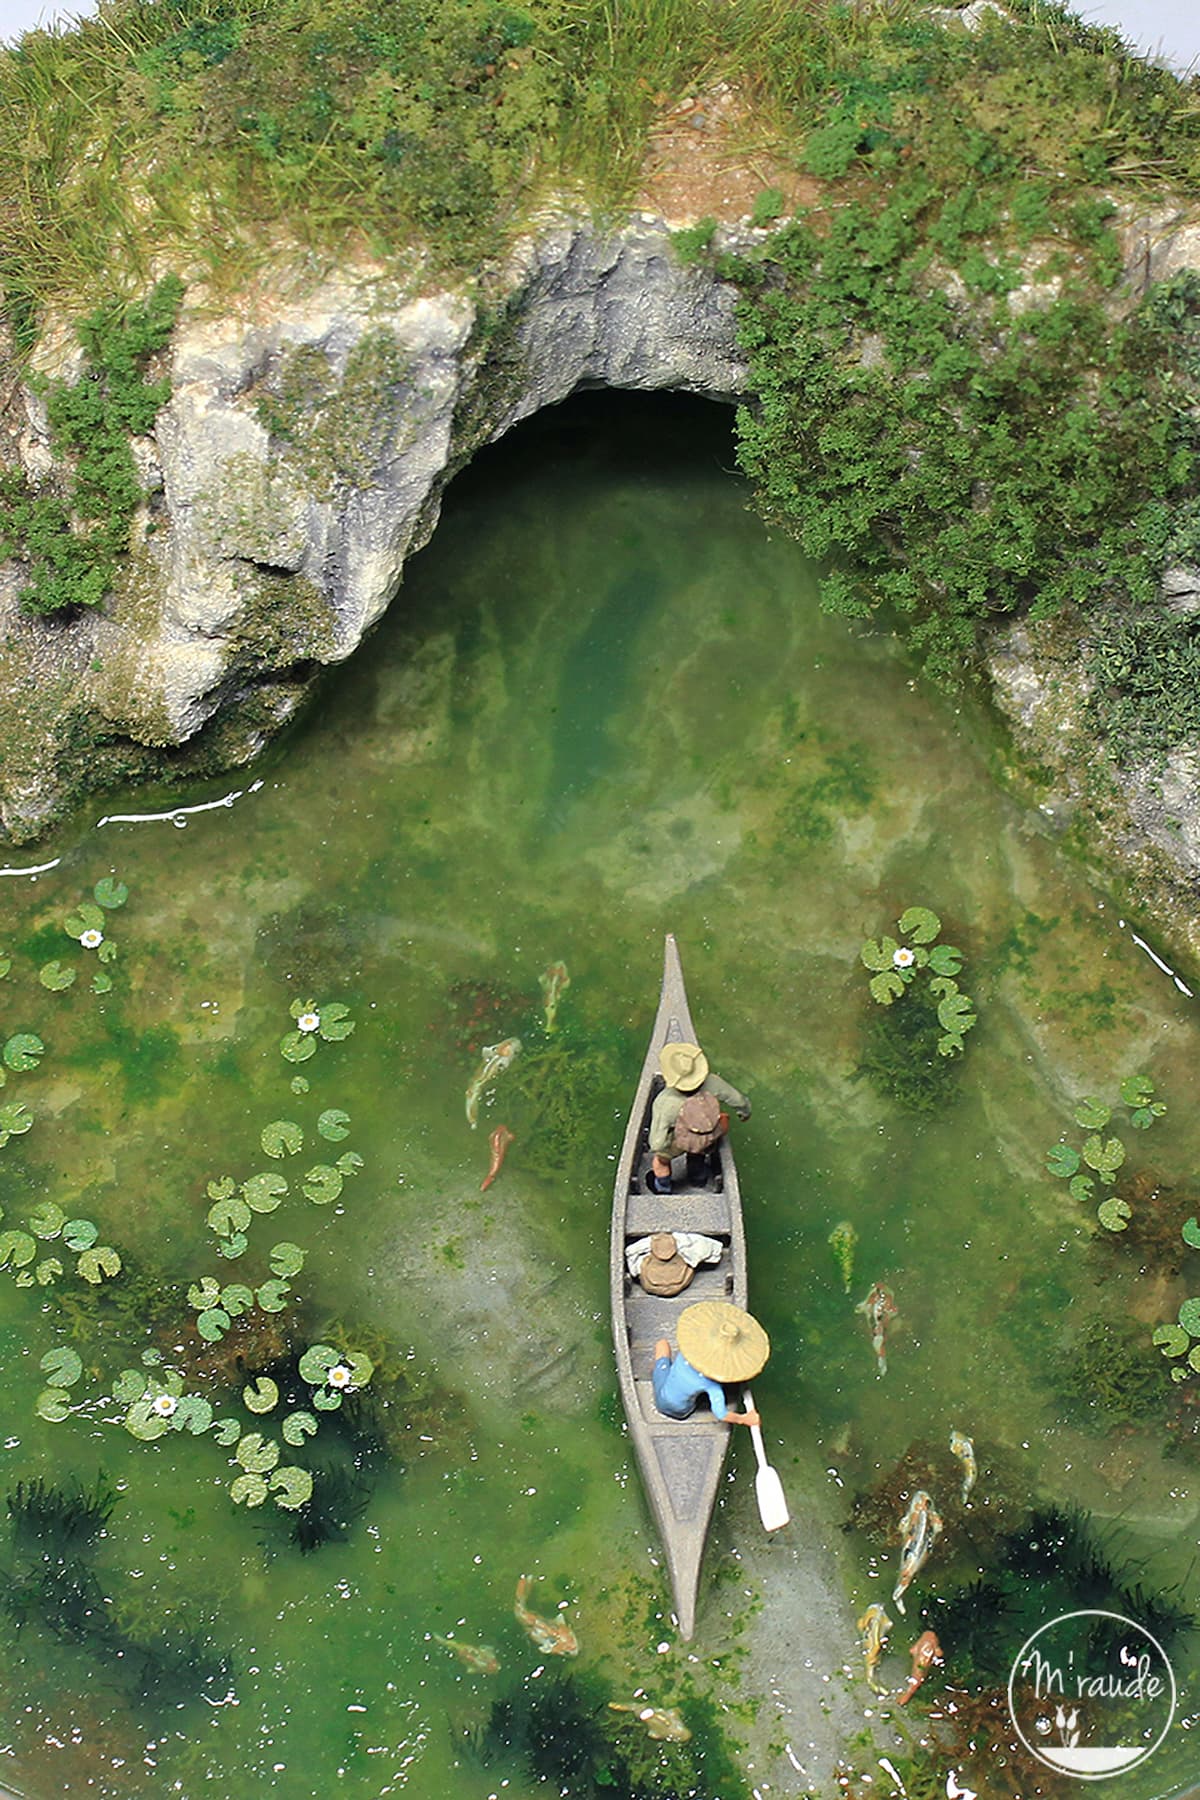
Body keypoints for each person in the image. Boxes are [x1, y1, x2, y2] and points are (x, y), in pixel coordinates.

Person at [647, 1041, 751, 1195]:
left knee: (659, 1161)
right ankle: (698, 1179)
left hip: (681, 1142)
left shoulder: (665, 1102)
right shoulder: (713, 1082)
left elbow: (657, 1142)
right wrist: (744, 1113)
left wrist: (663, 1150)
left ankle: (663, 1188)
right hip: (707, 1136)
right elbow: (740, 1101)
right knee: (699, 1152)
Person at [651, 1299, 768, 1428]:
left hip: (663, 1397)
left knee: (662, 1344)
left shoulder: (687, 1351)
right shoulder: (713, 1386)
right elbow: (721, 1414)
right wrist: (745, 1419)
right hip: (681, 1411)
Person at [625, 1229, 724, 1297]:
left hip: (678, 1281)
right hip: (653, 1283)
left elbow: (633, 1266)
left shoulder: (685, 1245)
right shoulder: (687, 1244)